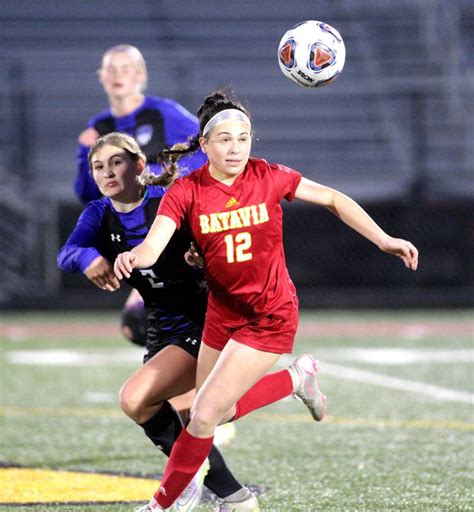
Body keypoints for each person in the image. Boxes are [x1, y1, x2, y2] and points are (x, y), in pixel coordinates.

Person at [114, 89, 419, 511]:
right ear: (204, 145)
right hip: (222, 314)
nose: (235, 147)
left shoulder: (268, 175)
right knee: (211, 415)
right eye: (224, 139)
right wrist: (134, 257)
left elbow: (332, 198)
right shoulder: (186, 190)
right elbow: (153, 246)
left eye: (243, 138)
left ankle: (163, 504)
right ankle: (296, 379)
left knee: (202, 415)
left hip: (269, 315)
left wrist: (384, 239)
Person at [58, 132, 260, 511]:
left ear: (138, 165)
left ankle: (183, 483)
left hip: (205, 319)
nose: (107, 172)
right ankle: (236, 498)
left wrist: (202, 256)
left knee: (136, 400)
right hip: (161, 326)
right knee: (190, 418)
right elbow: (67, 253)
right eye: (98, 167)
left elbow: (220, 239)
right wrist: (87, 260)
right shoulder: (98, 213)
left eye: (116, 162)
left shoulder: (169, 200)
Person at [74, 44, 207, 347]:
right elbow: (86, 193)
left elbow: (205, 153)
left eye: (125, 68)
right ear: (102, 77)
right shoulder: (98, 129)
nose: (118, 75)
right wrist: (85, 155)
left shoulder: (163, 113)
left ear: (140, 74)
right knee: (138, 325)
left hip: (176, 232)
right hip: (134, 235)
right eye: (112, 69)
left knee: (164, 319)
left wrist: (154, 174)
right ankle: (186, 386)